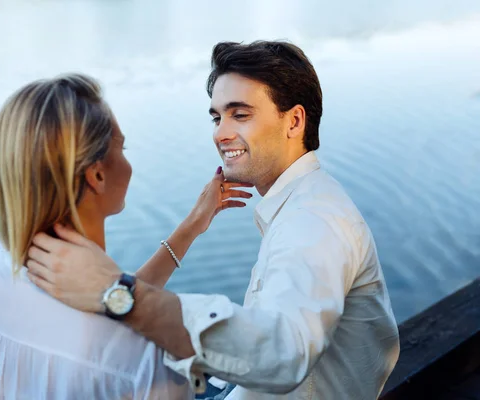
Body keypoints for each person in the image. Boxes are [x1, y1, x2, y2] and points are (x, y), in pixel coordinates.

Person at [26, 41, 401, 400]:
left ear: (294, 121)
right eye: (217, 116)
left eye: (240, 114)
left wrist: (119, 294)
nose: (220, 133)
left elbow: (283, 354)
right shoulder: (301, 202)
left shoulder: (312, 223)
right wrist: (192, 225)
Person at [0, 73, 253, 399]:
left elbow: (106, 305)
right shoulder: (145, 357)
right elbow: (113, 324)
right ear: (98, 175)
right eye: (123, 147)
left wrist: (194, 223)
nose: (128, 161)